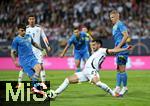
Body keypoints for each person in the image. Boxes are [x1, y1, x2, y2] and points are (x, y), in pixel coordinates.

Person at [50, 39, 131, 98]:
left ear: (99, 45)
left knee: (98, 83)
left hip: (92, 71)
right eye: (92, 45)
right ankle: (55, 93)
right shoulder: (95, 52)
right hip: (85, 72)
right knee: (68, 79)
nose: (93, 46)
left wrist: (125, 49)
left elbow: (113, 51)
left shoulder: (102, 50)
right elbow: (92, 46)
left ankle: (113, 94)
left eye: (94, 45)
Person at [17, 14, 51, 89]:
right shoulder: (25, 29)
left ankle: (43, 84)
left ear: (35, 20)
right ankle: (19, 83)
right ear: (28, 20)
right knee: (23, 68)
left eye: (33, 19)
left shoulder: (39, 28)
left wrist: (47, 46)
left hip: (38, 51)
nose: (31, 20)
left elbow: (44, 37)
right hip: (28, 52)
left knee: (41, 66)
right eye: (30, 19)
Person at [11, 23, 46, 95]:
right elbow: (12, 52)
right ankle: (35, 89)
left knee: (38, 68)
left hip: (32, 58)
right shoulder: (16, 40)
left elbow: (34, 43)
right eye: (22, 30)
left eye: (24, 30)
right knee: (33, 77)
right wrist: (15, 61)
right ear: (18, 31)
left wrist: (41, 49)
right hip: (24, 61)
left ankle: (34, 88)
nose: (24, 32)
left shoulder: (29, 36)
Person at [110, 10, 129, 95]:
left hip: (123, 49)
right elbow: (118, 39)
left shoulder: (120, 24)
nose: (111, 19)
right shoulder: (114, 26)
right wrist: (116, 48)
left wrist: (118, 47)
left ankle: (124, 87)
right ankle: (117, 87)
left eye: (113, 17)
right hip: (119, 49)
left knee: (122, 69)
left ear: (118, 16)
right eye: (110, 17)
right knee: (118, 69)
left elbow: (126, 36)